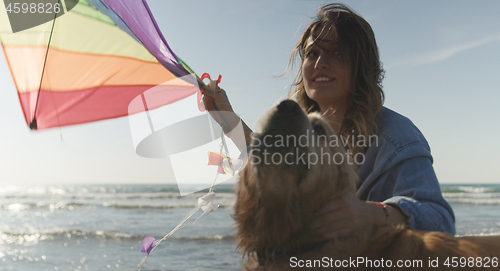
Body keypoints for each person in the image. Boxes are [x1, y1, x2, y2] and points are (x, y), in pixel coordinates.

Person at [201, 3, 456, 237]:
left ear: (363, 66)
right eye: (312, 53)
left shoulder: (393, 135)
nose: (321, 63)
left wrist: (371, 213)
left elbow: (441, 220)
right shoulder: (300, 131)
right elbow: (266, 159)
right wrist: (226, 117)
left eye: (337, 53)